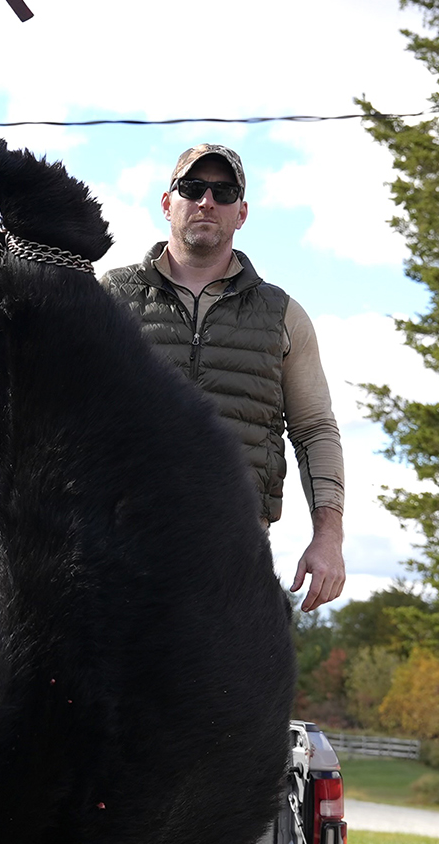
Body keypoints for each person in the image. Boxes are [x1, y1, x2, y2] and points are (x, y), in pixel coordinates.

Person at [101, 143, 346, 612]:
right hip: (116, 547)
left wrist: (328, 539)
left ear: (242, 212)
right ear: (168, 202)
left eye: (224, 191)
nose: (207, 201)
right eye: (192, 188)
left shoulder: (284, 316)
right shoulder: (109, 297)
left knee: (228, 687)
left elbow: (316, 431)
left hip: (232, 556)